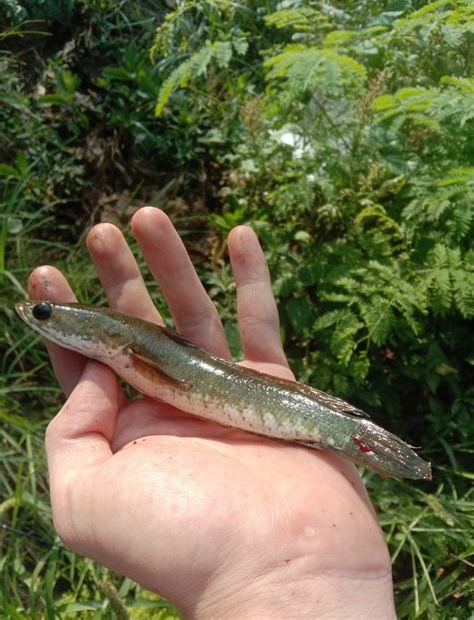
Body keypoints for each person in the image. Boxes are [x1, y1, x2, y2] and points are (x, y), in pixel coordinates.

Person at [28, 207, 396, 619]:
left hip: (256, 396)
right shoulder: (117, 349)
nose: (37, 314)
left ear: (101, 333)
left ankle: (347, 432)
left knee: (337, 429)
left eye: (45, 313)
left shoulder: (123, 344)